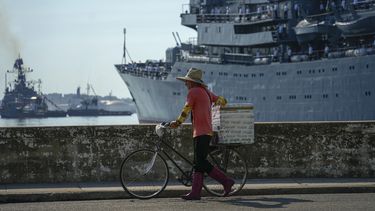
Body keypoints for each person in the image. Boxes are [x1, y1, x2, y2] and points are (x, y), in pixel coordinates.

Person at [170, 68, 234, 200]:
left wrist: (177, 122)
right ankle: (195, 192)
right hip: (207, 131)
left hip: (200, 132)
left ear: (192, 82)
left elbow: (186, 108)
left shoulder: (193, 92)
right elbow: (223, 101)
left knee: (201, 162)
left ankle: (226, 181)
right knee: (198, 163)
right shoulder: (206, 92)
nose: (186, 84)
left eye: (187, 81)